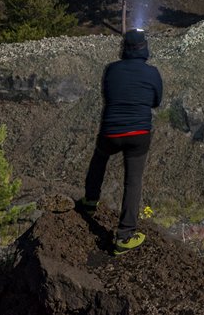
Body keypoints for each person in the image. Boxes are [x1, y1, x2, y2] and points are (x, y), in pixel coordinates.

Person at [78, 28, 163, 254]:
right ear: (145, 47)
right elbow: (156, 101)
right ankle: (125, 236)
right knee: (133, 181)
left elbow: (108, 95)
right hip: (139, 135)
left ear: (123, 48)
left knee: (100, 157)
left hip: (112, 131)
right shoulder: (152, 72)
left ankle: (90, 201)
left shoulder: (111, 69)